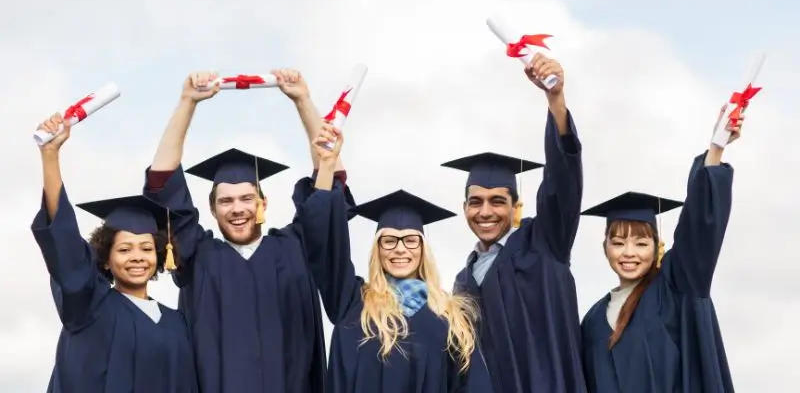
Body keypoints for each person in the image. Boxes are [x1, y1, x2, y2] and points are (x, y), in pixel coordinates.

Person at [142, 70, 343, 392]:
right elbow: (162, 182)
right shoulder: (198, 256)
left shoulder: (296, 247)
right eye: (226, 201)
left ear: (263, 202)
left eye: (247, 198)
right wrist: (186, 104)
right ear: (212, 210)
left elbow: (327, 187)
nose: (237, 209)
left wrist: (303, 100)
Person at [296, 124, 494, 392]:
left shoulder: (451, 318)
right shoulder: (352, 303)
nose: (400, 249)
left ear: (423, 250)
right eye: (389, 241)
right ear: (377, 249)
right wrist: (327, 165)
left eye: (411, 240)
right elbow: (323, 241)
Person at [443, 54, 586, 392]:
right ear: (464, 208)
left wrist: (556, 100)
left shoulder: (544, 242)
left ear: (515, 207)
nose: (486, 212)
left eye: (497, 201)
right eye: (476, 202)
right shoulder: (462, 281)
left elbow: (563, 182)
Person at [32, 113, 197, 392]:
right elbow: (66, 247)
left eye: (146, 248)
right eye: (123, 249)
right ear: (105, 259)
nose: (136, 257)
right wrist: (50, 156)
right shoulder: (89, 306)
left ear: (159, 255)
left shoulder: (177, 323)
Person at [579, 114, 742, 392]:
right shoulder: (593, 320)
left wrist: (715, 149)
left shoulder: (674, 288)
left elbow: (698, 229)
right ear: (604, 247)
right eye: (618, 242)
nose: (628, 253)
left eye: (641, 243)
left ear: (658, 247)